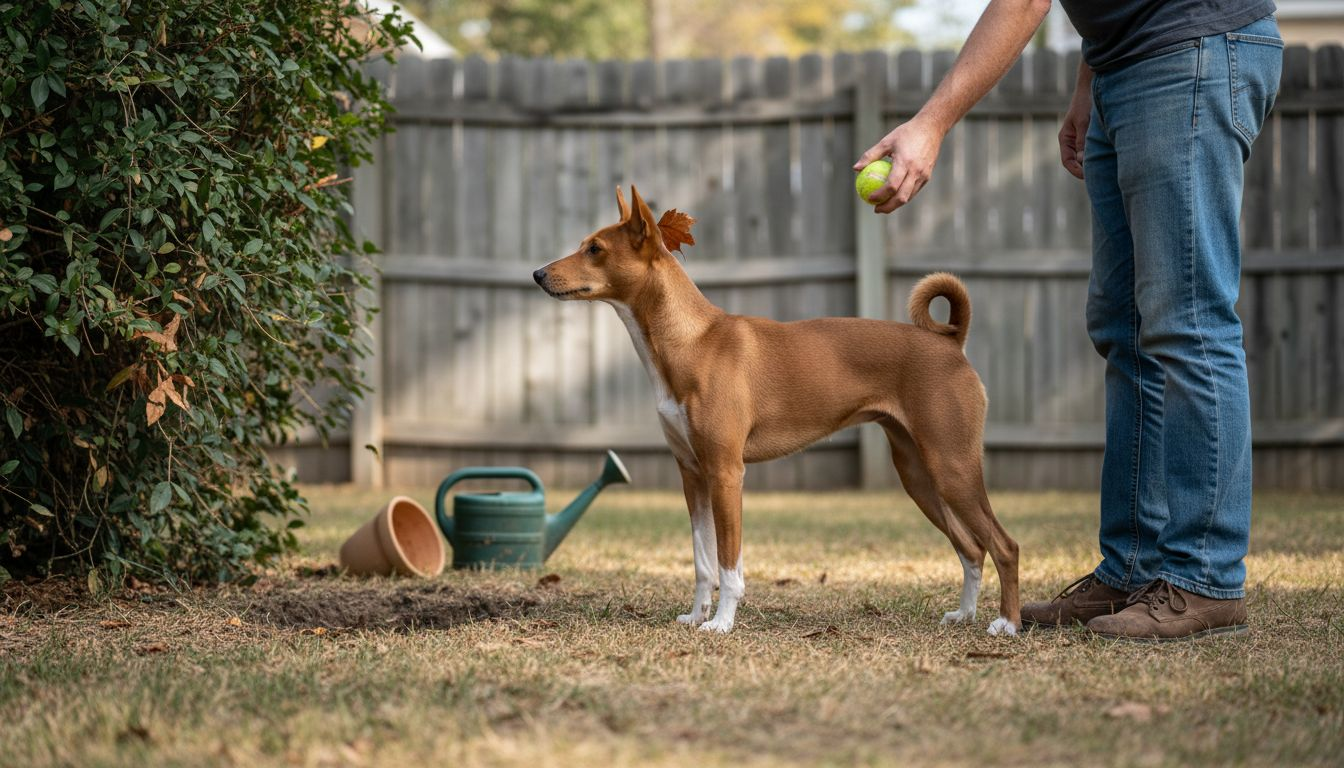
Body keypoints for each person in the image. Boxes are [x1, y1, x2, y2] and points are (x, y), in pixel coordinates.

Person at [855, 0, 1282, 641]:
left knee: (1187, 322)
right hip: (1124, 65)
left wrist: (932, 122)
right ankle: (1132, 567)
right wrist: (1090, 82)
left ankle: (1206, 580)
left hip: (1193, 50)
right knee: (1124, 332)